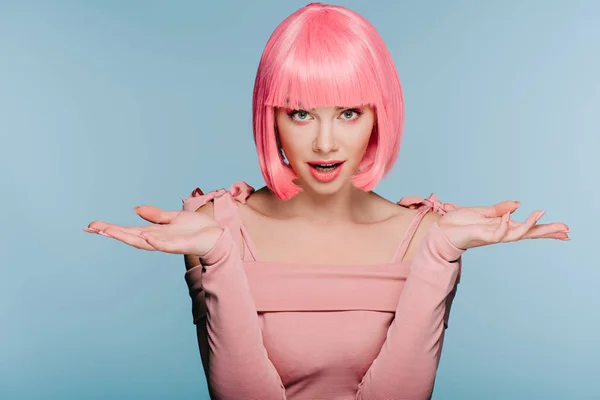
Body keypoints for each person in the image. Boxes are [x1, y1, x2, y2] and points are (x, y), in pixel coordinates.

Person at [84, 3, 570, 399]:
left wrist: (441, 254)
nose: (324, 142)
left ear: (379, 117)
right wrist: (220, 257)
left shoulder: (424, 236)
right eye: (299, 113)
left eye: (349, 113)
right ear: (269, 117)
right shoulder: (212, 229)